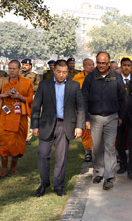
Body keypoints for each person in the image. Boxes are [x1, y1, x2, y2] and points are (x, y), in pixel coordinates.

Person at [31, 59, 85, 197]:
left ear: (68, 72)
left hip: (64, 125)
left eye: (65, 72)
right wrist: (34, 125)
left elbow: (80, 107)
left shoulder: (74, 86)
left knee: (61, 157)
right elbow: (36, 106)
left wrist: (79, 126)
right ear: (54, 70)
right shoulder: (44, 84)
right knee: (42, 155)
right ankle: (44, 183)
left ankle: (58, 185)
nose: (61, 75)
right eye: (59, 72)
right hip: (46, 124)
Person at [82, 52, 125, 190]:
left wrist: (121, 116)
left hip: (112, 117)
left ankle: (109, 176)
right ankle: (98, 172)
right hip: (95, 118)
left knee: (110, 147)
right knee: (97, 147)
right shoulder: (90, 78)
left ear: (108, 63)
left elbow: (122, 99)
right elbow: (84, 100)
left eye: (103, 63)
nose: (101, 65)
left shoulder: (116, 77)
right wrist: (86, 119)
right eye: (98, 63)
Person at [0, 60, 33, 179]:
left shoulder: (27, 82)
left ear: (19, 70)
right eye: (10, 68)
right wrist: (4, 95)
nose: (11, 70)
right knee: (5, 143)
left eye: (14, 68)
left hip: (20, 116)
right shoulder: (2, 80)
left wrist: (19, 96)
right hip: (6, 116)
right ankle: (4, 169)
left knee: (19, 143)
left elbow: (31, 100)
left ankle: (13, 168)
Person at [73, 58, 95, 162]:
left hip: (95, 107)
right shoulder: (78, 78)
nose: (92, 67)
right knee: (85, 131)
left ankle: (97, 151)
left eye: (93, 65)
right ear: (84, 67)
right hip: (82, 108)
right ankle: (87, 152)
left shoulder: (97, 76)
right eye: (90, 65)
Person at [20, 58, 40, 145]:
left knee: (29, 117)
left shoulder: (35, 75)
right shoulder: (18, 74)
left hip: (30, 97)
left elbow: (37, 86)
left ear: (30, 66)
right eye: (23, 64)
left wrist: (26, 87)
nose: (24, 66)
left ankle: (27, 138)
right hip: (18, 97)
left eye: (26, 65)